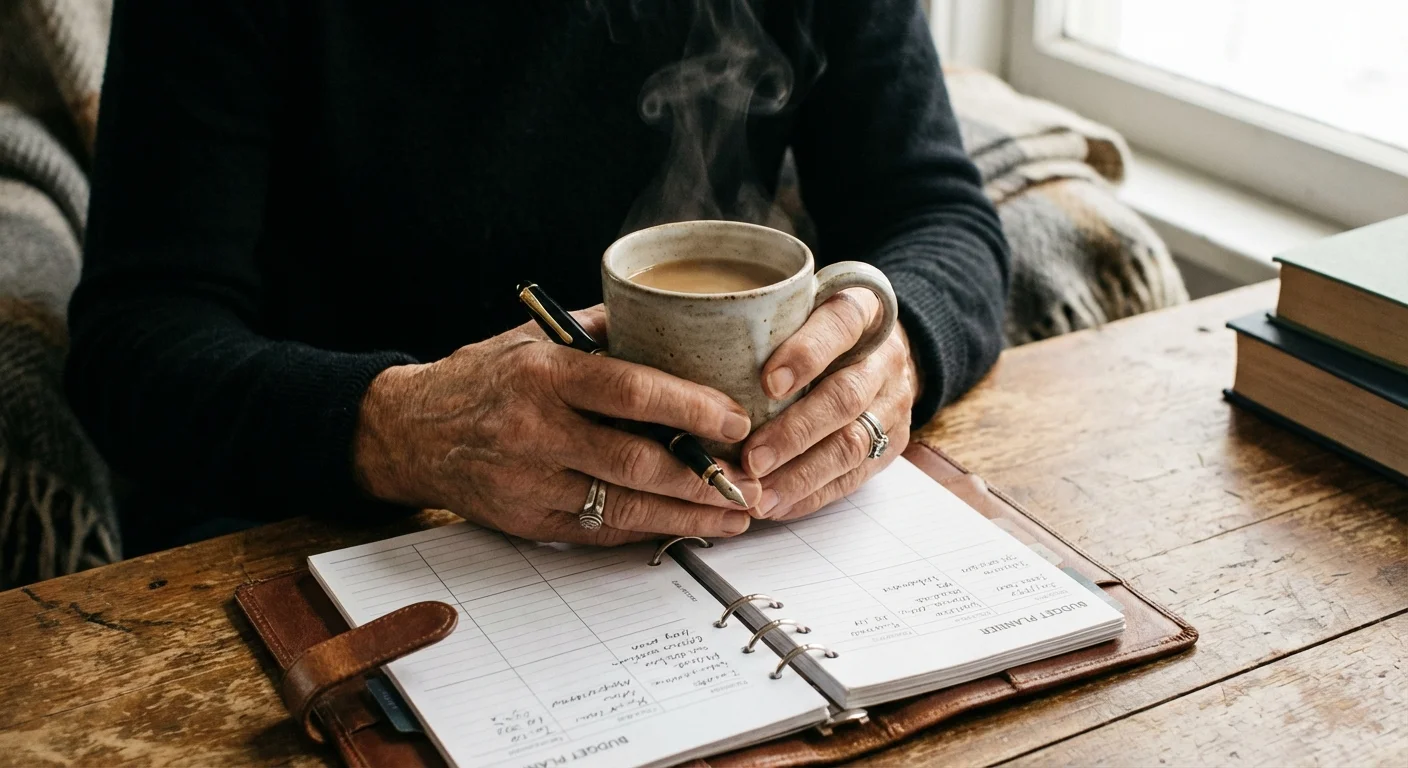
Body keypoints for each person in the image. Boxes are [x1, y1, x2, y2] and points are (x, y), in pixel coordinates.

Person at [66, 0, 1010, 556]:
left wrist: (896, 351)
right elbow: (134, 341)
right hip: (335, 536)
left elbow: (937, 215)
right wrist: (401, 429)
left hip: (736, 546)